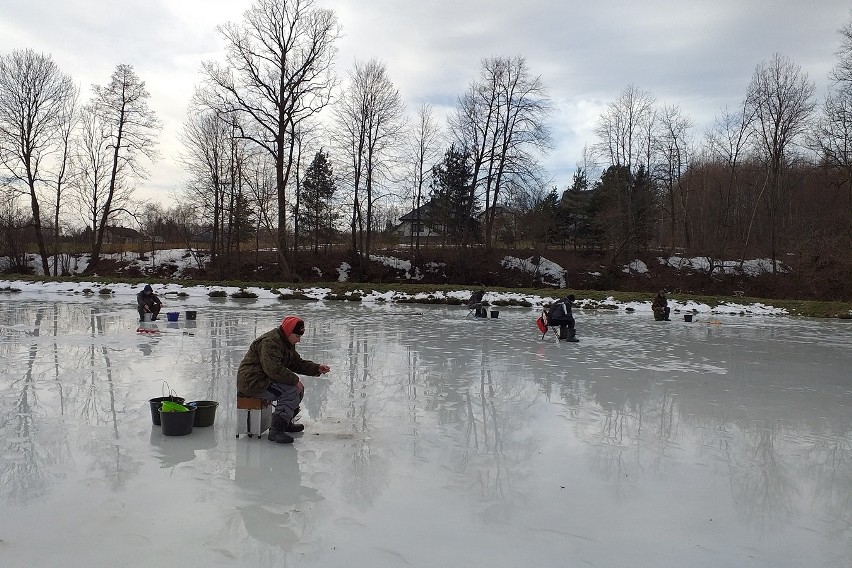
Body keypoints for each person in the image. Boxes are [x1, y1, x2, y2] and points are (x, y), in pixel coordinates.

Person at [237, 316, 331, 444]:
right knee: (291, 391)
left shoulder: (286, 342)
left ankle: (284, 422)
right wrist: (295, 380)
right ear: (288, 332)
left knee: (299, 389)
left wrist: (316, 368)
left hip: (265, 378)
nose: (299, 340)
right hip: (253, 382)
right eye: (297, 336)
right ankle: (276, 430)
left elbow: (296, 363)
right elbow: (273, 369)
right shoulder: (270, 342)